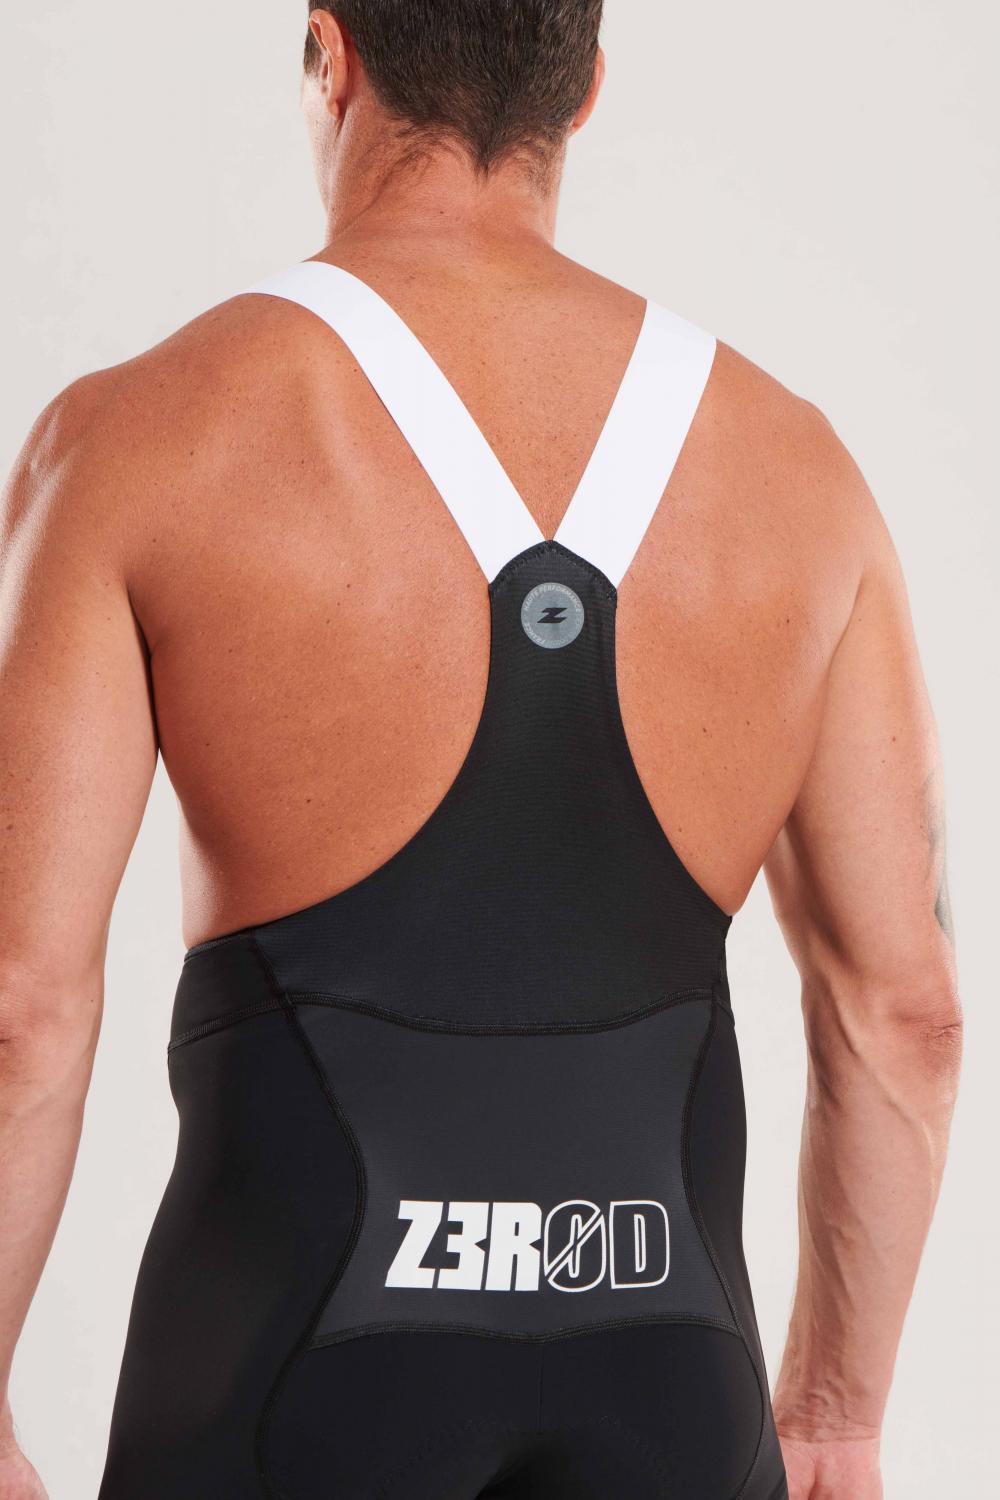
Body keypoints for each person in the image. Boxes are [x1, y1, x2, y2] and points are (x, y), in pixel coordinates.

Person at [0, 4, 962, 1498]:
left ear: (332, 57)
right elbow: (904, 1013)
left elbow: (21, 1008)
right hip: (673, 1370)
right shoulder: (799, 473)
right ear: (584, 87)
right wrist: (834, 1413)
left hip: (289, 1372)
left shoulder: (140, 440)